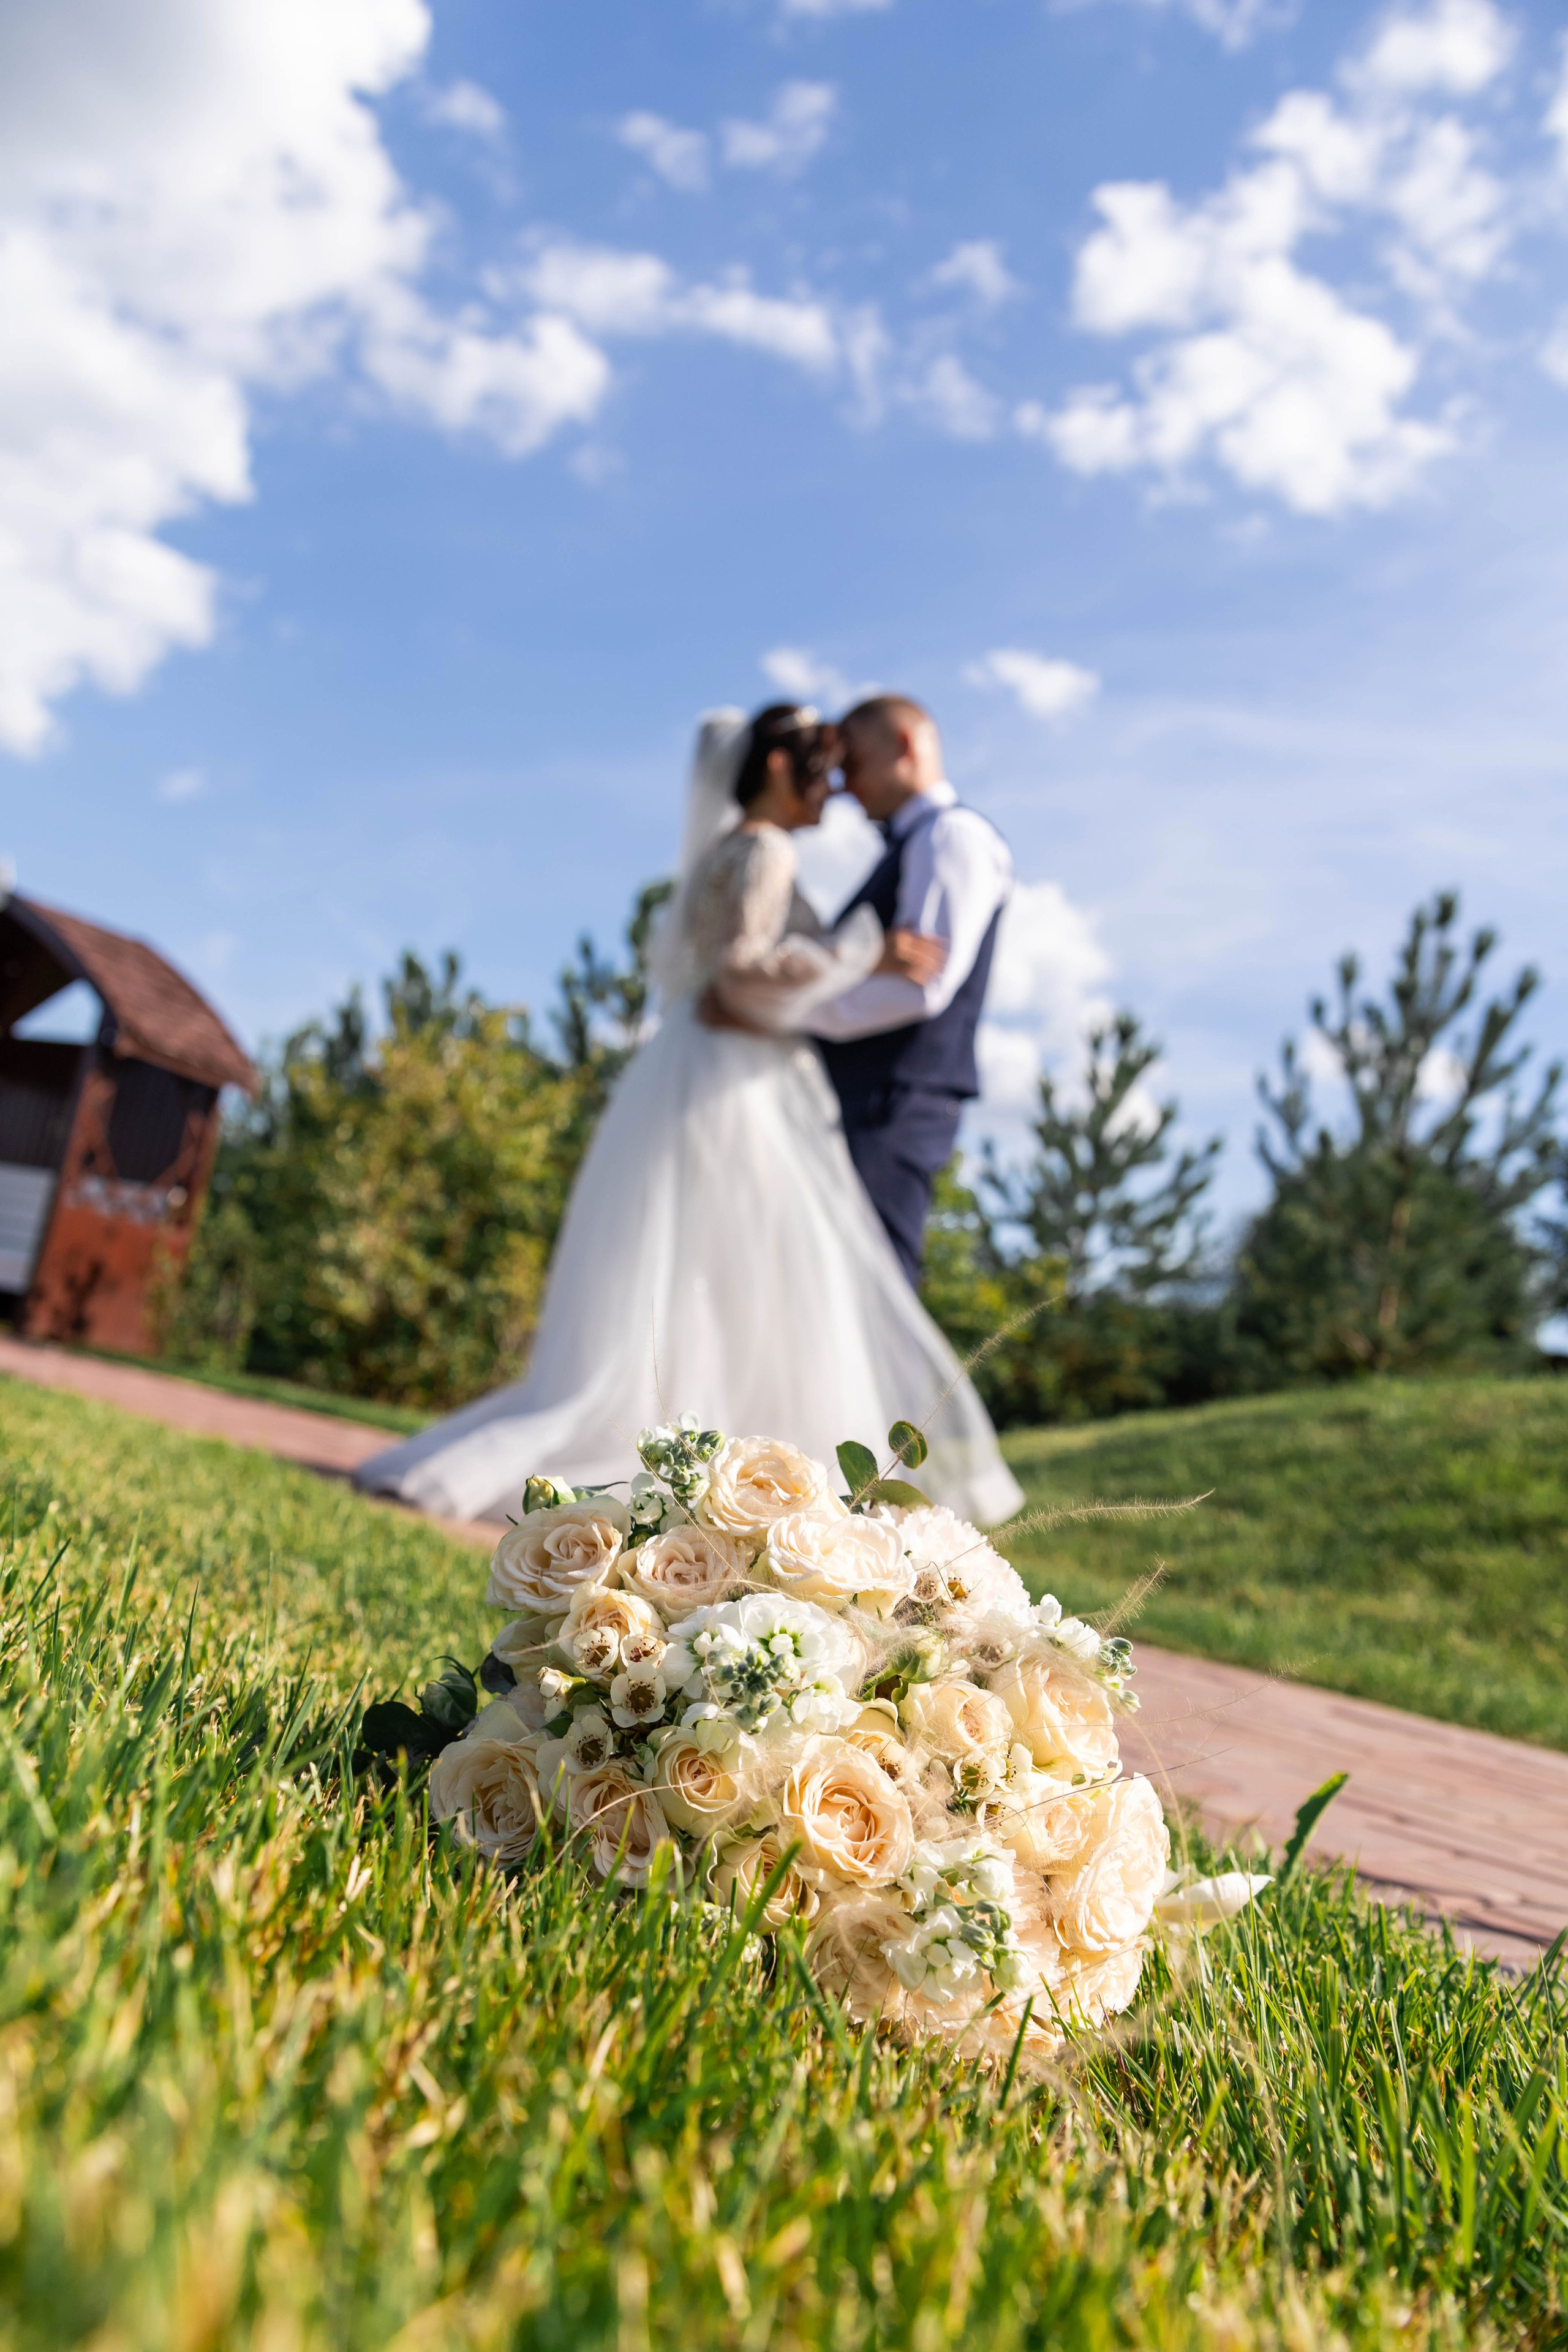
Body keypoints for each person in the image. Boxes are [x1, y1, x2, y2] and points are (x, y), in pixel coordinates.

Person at [352, 704, 1024, 1529]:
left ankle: (777, 1478)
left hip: (765, 1079)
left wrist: (816, 989)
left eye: (847, 764)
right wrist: (856, 958)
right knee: (753, 1276)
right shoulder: (767, 850)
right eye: (823, 767)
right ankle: (782, 1487)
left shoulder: (792, 846)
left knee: (727, 1273)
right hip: (741, 1079)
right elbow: (743, 971)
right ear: (779, 770)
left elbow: (896, 982)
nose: (838, 788)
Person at [810, 696, 1013, 1287]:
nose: (846, 787)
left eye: (854, 765)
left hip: (894, 1099)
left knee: (878, 1285)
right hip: (871, 1096)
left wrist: (793, 1012)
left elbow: (919, 987)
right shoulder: (914, 844)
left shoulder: (951, 837)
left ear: (904, 747)